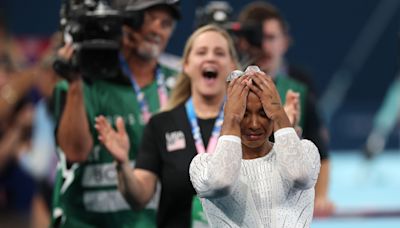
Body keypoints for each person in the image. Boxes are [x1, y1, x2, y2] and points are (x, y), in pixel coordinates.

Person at [94, 24, 239, 227]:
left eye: (220, 53)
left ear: (233, 66)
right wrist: (122, 164)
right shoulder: (161, 125)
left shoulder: (247, 125)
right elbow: (140, 197)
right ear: (186, 65)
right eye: (201, 52)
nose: (210, 58)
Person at [51, 0, 180, 227]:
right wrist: (75, 84)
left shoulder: (179, 86)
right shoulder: (84, 82)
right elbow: (75, 151)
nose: (157, 29)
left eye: (166, 23)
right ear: (125, 22)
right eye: (148, 19)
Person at [235, 1, 334, 216]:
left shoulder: (300, 88)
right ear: (241, 42)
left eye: (270, 37)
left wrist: (322, 197)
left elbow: (321, 151)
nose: (263, 46)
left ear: (285, 42)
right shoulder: (229, 86)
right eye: (256, 38)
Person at [189, 69, 320, 227]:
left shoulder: (307, 151)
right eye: (243, 114)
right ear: (229, 113)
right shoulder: (203, 165)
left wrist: (279, 113)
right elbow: (221, 183)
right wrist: (231, 119)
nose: (254, 124)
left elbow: (299, 176)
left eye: (264, 113)